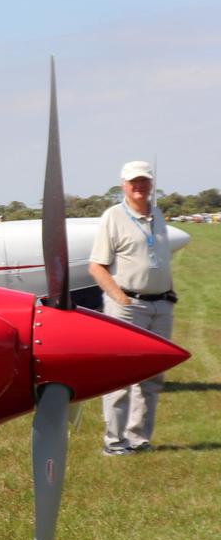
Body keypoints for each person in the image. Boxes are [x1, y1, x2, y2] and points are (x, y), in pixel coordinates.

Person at [89, 160, 177, 455]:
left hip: (161, 305)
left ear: (151, 184)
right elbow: (97, 266)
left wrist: (168, 292)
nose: (139, 186)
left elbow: (159, 258)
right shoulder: (113, 217)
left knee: (153, 376)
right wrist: (120, 299)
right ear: (123, 185)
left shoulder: (158, 214)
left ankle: (139, 438)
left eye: (144, 181)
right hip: (128, 306)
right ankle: (114, 442)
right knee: (122, 376)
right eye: (133, 182)